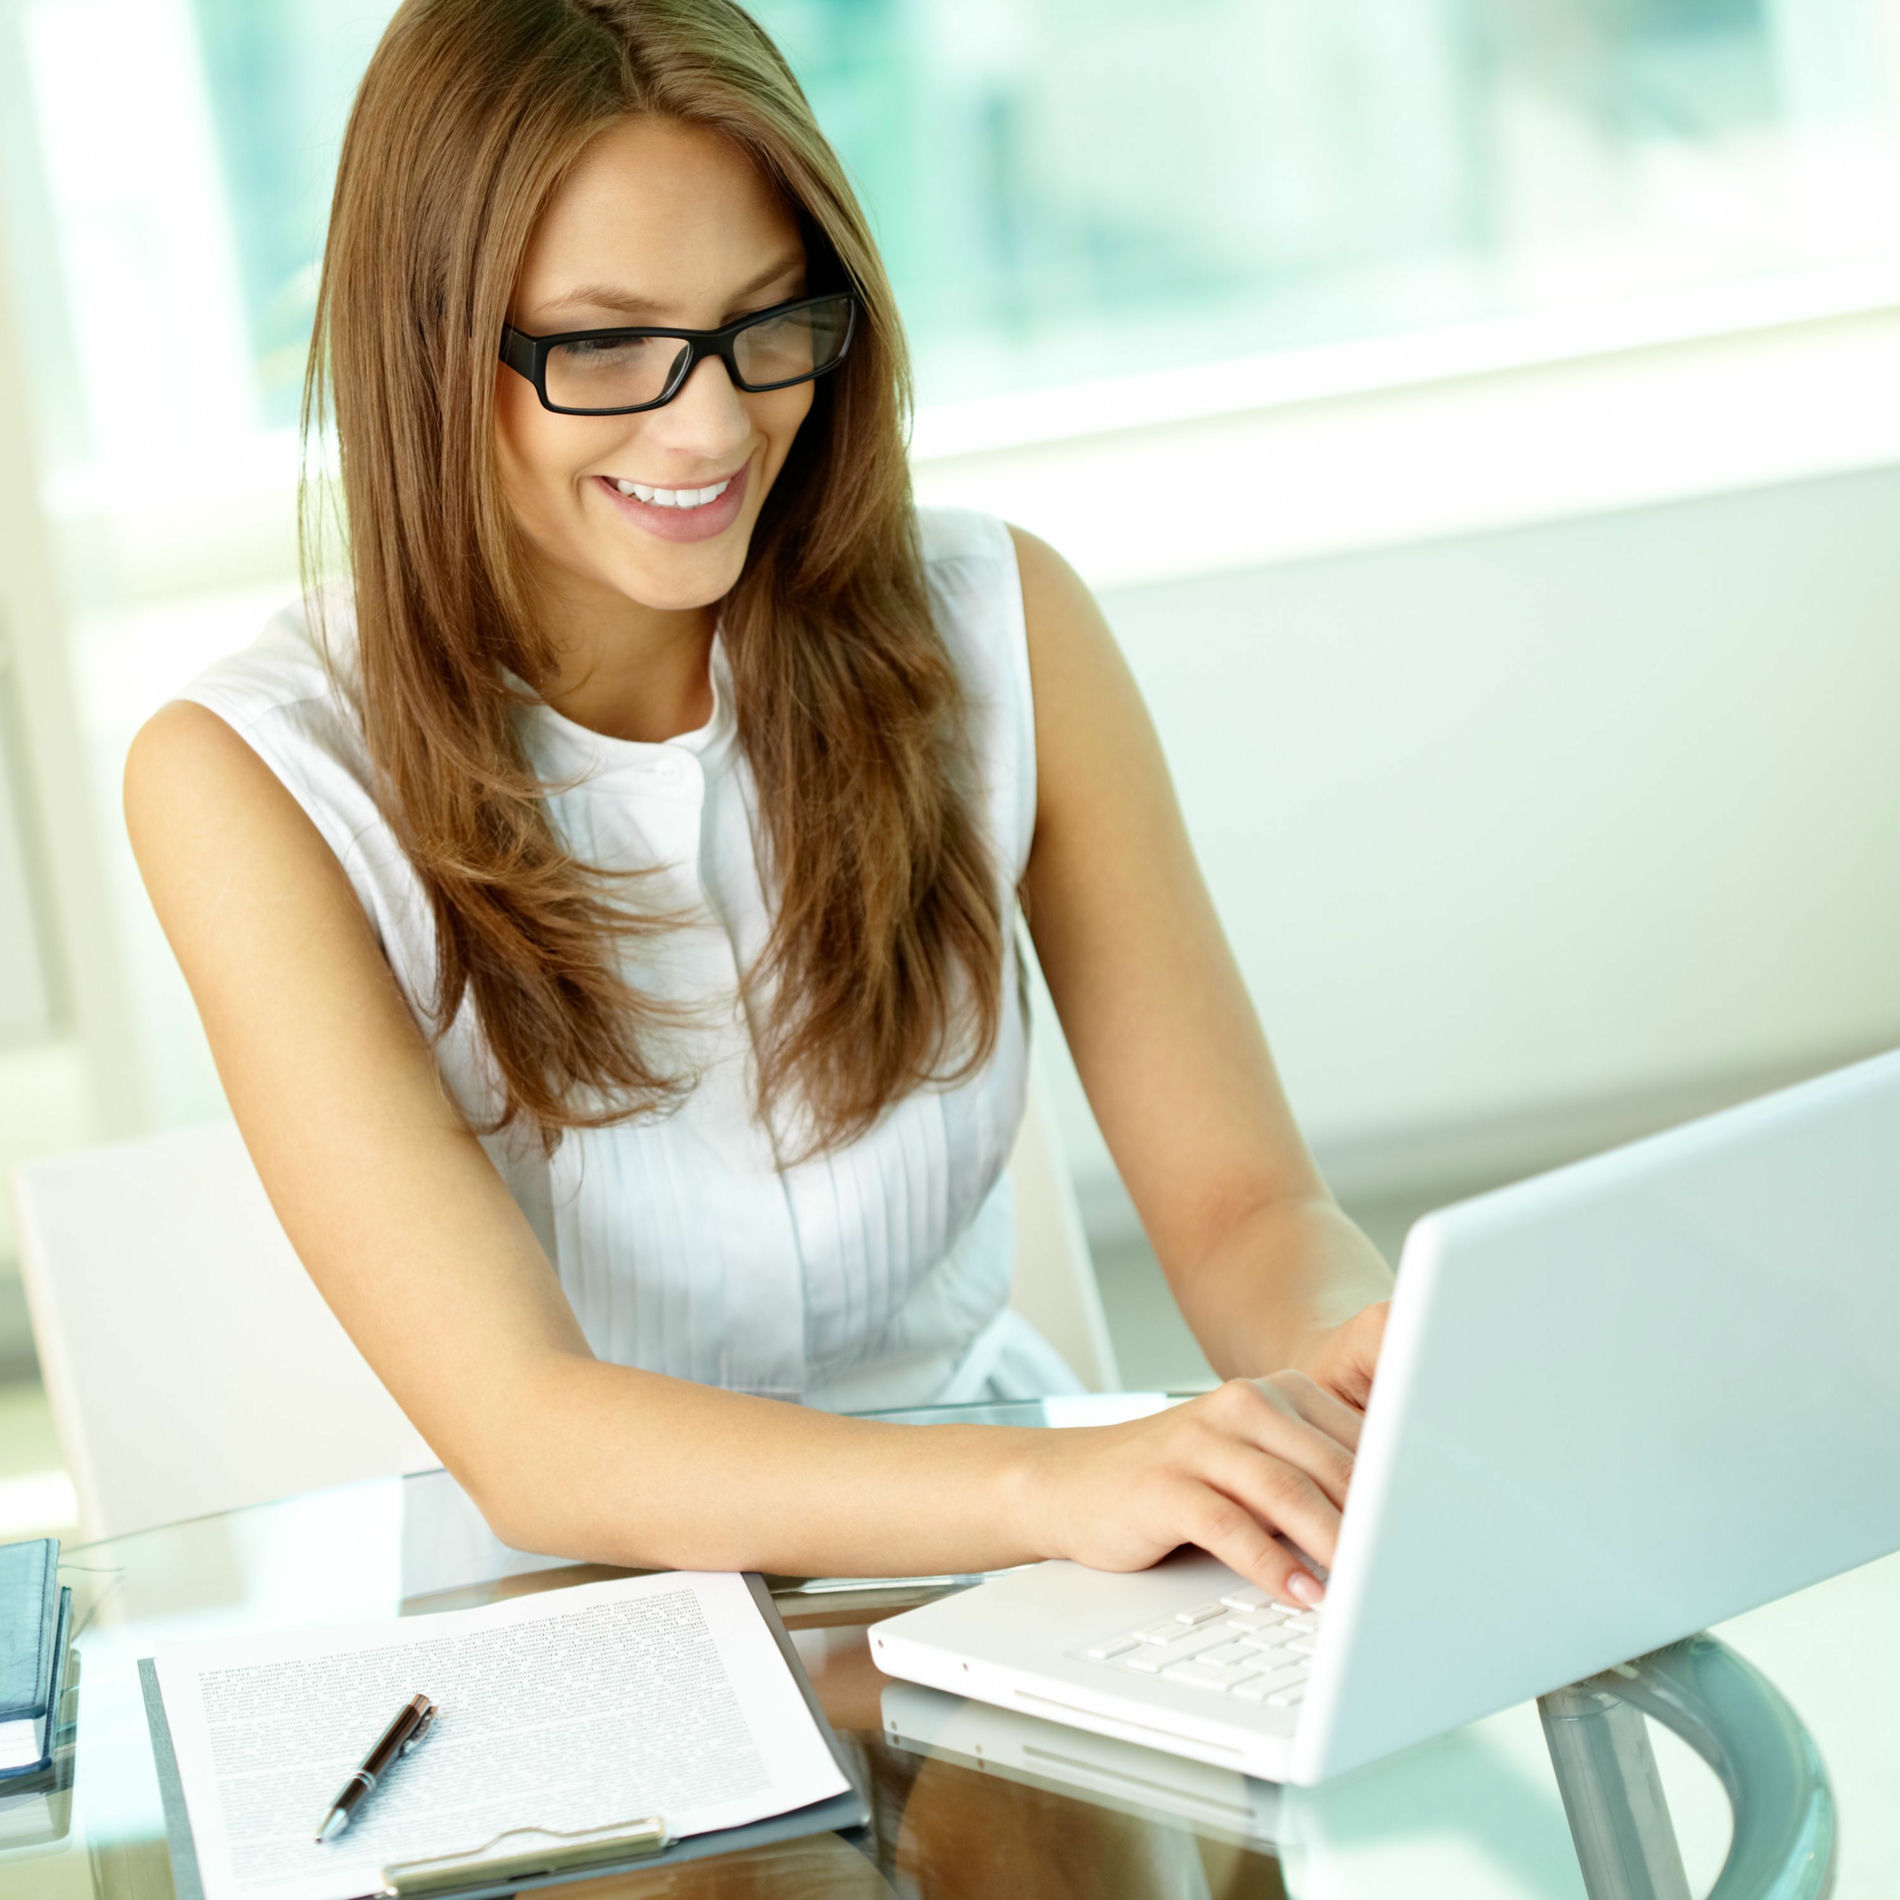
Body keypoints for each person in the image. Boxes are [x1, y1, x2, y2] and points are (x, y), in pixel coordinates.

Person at [124, 0, 1393, 1610]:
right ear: (426, 350)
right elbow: (531, 1435)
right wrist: (1059, 1484)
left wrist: (1348, 1351)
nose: (714, 425)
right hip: (587, 1630)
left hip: (1031, 1581)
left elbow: (1246, 1210)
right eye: (604, 346)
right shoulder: (249, 778)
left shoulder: (1003, 624)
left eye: (764, 321)